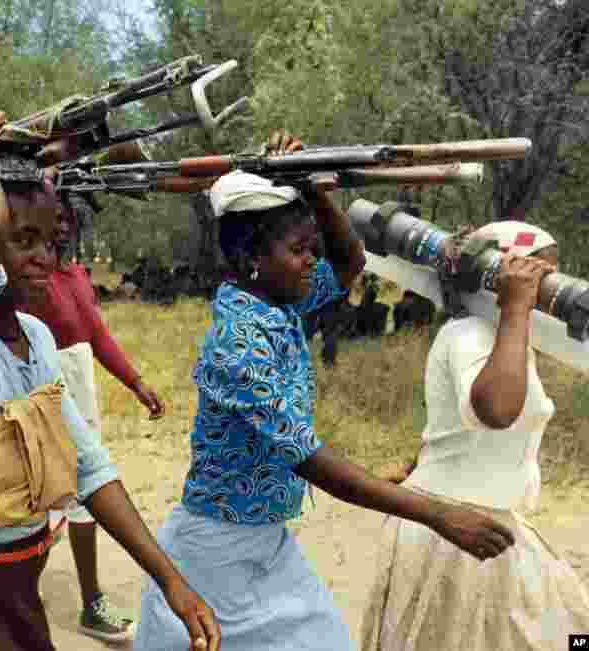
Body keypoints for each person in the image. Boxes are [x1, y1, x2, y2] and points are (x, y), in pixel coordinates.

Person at [132, 131, 517, 651]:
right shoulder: (238, 343)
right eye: (298, 250)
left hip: (265, 543)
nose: (312, 260)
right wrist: (437, 515)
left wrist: (314, 190)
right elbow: (309, 459)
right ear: (251, 255)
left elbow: (349, 263)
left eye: (310, 248)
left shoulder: (276, 304)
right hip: (213, 554)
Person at [0, 109, 219, 651]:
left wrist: (171, 582)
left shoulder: (36, 338)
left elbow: (89, 467)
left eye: (51, 242)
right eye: (26, 241)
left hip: (19, 585)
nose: (46, 258)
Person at [360, 222, 589, 651]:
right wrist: (518, 308)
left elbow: (463, 428)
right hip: (455, 535)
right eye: (540, 277)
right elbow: (497, 410)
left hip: (487, 523)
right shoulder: (472, 332)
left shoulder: (503, 334)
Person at [20, 192, 165, 642]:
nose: (61, 227)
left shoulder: (76, 274)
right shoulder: (31, 277)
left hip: (78, 386)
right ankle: (23, 588)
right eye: (53, 219)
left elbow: (96, 336)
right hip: (40, 386)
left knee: (83, 493)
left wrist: (136, 383)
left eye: (67, 219)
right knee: (38, 496)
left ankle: (89, 601)